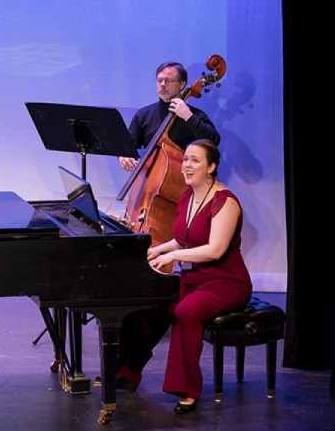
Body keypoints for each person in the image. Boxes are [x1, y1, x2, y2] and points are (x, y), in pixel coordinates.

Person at [117, 138, 253, 415]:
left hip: (226, 282)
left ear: (211, 166)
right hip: (194, 279)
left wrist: (172, 258)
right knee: (142, 303)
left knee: (186, 312)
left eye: (195, 160)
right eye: (186, 159)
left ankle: (188, 390)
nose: (187, 166)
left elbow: (214, 250)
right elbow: (183, 239)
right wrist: (155, 251)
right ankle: (128, 371)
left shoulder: (225, 201)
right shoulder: (187, 196)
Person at [118, 61, 220, 173]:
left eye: (169, 80)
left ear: (182, 84)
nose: (162, 84)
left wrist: (188, 116)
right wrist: (123, 156)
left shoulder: (194, 114)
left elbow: (213, 141)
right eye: (159, 80)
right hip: (148, 177)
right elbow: (127, 145)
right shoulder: (143, 114)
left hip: (184, 178)